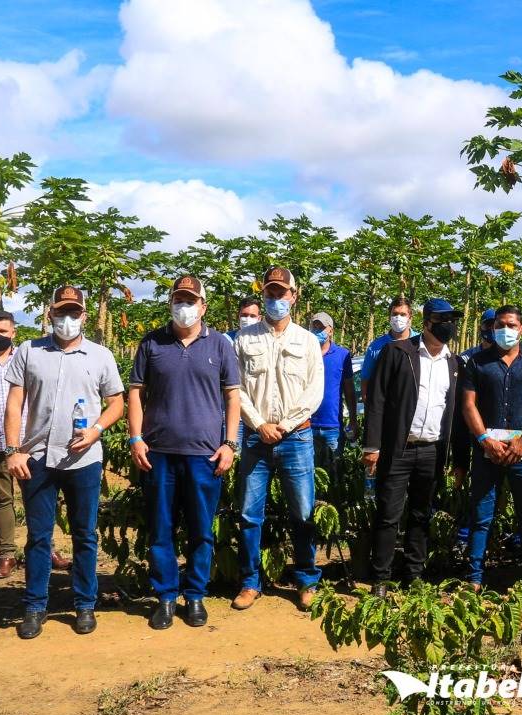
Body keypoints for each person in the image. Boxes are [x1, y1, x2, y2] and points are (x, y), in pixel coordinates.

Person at [3, 286, 125, 639]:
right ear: (50, 314)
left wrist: (97, 430)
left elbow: (116, 402)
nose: (67, 319)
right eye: (61, 312)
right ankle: (35, 606)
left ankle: (85, 603)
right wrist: (13, 450)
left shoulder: (100, 356)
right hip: (37, 457)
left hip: (84, 458)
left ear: (84, 315)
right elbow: (14, 402)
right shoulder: (29, 351)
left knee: (84, 534)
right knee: (39, 536)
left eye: (74, 312)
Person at [127, 275, 242, 630]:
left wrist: (230, 443)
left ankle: (194, 595)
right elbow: (135, 393)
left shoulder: (221, 345)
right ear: (170, 304)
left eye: (191, 301)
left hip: (204, 455)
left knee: (200, 529)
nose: (184, 307)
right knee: (161, 529)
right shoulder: (152, 343)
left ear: (203, 307)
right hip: (159, 452)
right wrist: (136, 438)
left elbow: (232, 396)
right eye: (179, 300)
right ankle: (164, 597)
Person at [0, 310, 76, 579]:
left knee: (39, 499)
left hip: (29, 443)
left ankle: (47, 549)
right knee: (1, 499)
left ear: (13, 333)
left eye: (3, 331)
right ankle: (6, 554)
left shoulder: (28, 357)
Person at [232, 267, 324, 612]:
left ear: (294, 297)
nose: (275, 299)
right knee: (249, 514)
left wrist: (283, 425)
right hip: (256, 438)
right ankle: (250, 583)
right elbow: (235, 389)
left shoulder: (307, 342)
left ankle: (306, 580)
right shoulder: (245, 339)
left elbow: (313, 392)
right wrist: (258, 423)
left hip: (296, 438)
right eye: (270, 293)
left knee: (302, 512)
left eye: (281, 293)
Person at [363, 298, 467, 596]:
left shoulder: (453, 363)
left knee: (422, 514)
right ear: (426, 323)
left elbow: (455, 413)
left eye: (451, 320)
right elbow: (377, 402)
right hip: (399, 449)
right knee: (388, 513)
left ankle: (413, 575)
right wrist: (372, 446)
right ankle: (381, 577)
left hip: (432, 451)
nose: (447, 326)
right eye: (441, 320)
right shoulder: (398, 352)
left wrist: (457, 458)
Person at [459, 305, 522, 589]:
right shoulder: (477, 362)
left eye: (511, 325)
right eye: (499, 325)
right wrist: (483, 439)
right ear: (491, 328)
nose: (505, 330)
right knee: (481, 515)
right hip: (488, 451)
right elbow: (467, 404)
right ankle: (474, 576)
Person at [308, 312, 358, 483]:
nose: (317, 330)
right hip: (307, 426)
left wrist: (353, 420)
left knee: (333, 475)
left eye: (321, 327)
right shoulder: (305, 353)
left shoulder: (342, 355)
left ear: (330, 331)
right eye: (314, 327)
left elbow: (349, 391)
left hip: (332, 427)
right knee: (310, 474)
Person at [360, 297, 416, 400]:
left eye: (403, 314)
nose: (398, 318)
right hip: (386, 408)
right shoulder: (376, 346)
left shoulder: (419, 343)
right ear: (389, 317)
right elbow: (365, 382)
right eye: (394, 314)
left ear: (410, 318)